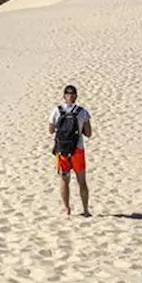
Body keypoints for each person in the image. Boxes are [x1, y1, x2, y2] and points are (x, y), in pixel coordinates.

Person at [48, 84, 94, 216]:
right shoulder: (82, 112)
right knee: (82, 181)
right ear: (76, 97)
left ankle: (67, 209)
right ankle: (85, 210)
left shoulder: (56, 111)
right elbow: (88, 133)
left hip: (62, 151)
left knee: (64, 180)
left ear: (64, 96)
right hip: (78, 150)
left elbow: (50, 130)